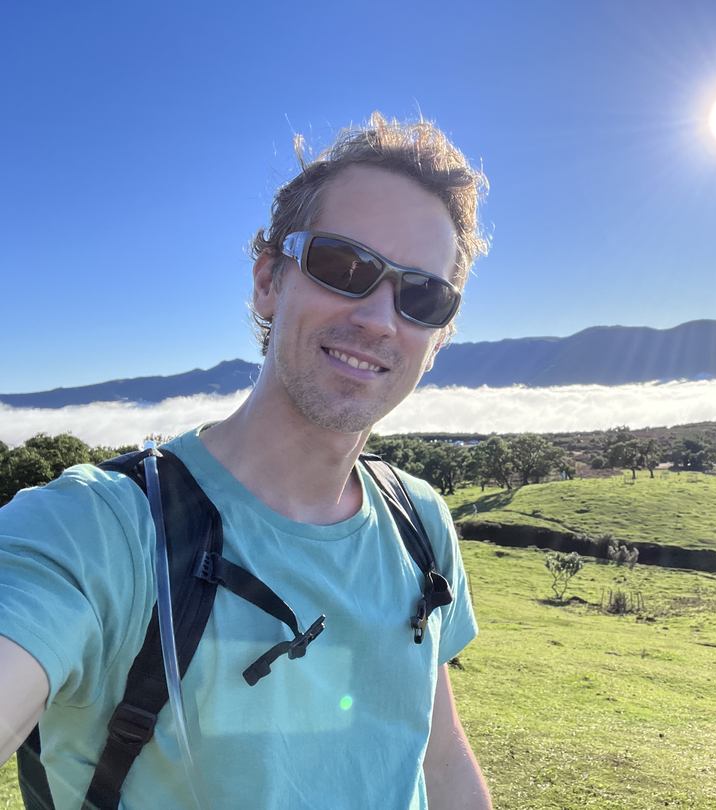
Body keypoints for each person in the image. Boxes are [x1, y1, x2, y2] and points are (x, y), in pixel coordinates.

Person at [0, 114, 492, 810]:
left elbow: (437, 757)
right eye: (343, 267)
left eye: (422, 296)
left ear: (438, 339)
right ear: (268, 280)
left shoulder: (420, 522)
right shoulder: (99, 532)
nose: (382, 319)